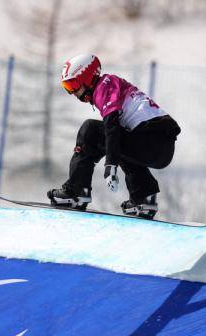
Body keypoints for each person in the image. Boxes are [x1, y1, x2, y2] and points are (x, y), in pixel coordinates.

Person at [47, 54, 181, 219]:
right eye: (68, 87)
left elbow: (112, 126)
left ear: (88, 78)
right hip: (161, 146)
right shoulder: (112, 84)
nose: (73, 92)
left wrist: (110, 165)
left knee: (89, 130)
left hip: (152, 138)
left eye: (73, 84)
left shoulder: (104, 85)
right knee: (120, 145)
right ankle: (144, 198)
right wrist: (113, 158)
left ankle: (76, 191)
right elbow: (116, 134)